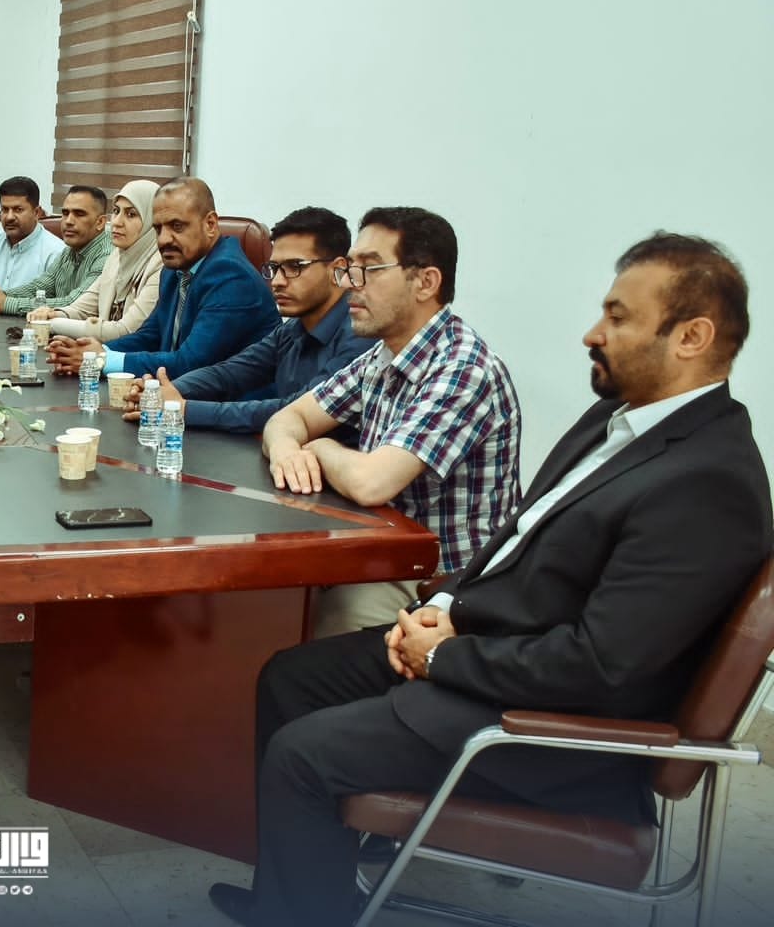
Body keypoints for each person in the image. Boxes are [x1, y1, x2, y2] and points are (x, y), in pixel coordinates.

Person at [210, 231, 772, 927]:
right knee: (291, 679)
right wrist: (446, 607)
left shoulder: (708, 482)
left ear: (691, 336)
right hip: (495, 649)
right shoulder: (621, 418)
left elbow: (604, 667)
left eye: (619, 317)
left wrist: (443, 657)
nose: (592, 334)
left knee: (302, 755)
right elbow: (517, 533)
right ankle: (300, 901)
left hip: (556, 733)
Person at [262, 207, 522, 638]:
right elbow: (289, 417)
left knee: (294, 650)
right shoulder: (383, 356)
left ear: (426, 282)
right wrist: (288, 447)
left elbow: (372, 483)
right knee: (269, 600)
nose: (350, 284)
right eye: (350, 268)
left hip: (440, 584)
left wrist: (319, 447)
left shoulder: (463, 369)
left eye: (369, 269)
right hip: (380, 549)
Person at [127, 207, 373, 436]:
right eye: (274, 267)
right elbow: (229, 373)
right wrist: (163, 392)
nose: (277, 281)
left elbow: (293, 410)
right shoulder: (293, 329)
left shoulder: (360, 337)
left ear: (337, 269)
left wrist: (185, 409)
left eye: (294, 267)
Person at [46, 177, 275, 381]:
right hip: (177, 395)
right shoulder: (174, 270)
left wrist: (102, 360)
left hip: (233, 407)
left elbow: (191, 362)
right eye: (158, 228)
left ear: (210, 224)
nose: (164, 239)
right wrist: (92, 351)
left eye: (177, 226)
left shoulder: (230, 276)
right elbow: (150, 336)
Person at [30, 179, 163, 342]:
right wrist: (52, 314)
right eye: (116, 211)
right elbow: (82, 309)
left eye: (131, 214)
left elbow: (125, 331)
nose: (117, 222)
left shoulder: (160, 266)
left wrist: (52, 324)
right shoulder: (117, 257)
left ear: (153, 221)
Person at [0, 184, 113, 317]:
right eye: (65, 213)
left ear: (100, 222)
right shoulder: (69, 252)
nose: (68, 221)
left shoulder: (108, 256)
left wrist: (6, 303)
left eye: (79, 214)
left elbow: (75, 305)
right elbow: (40, 287)